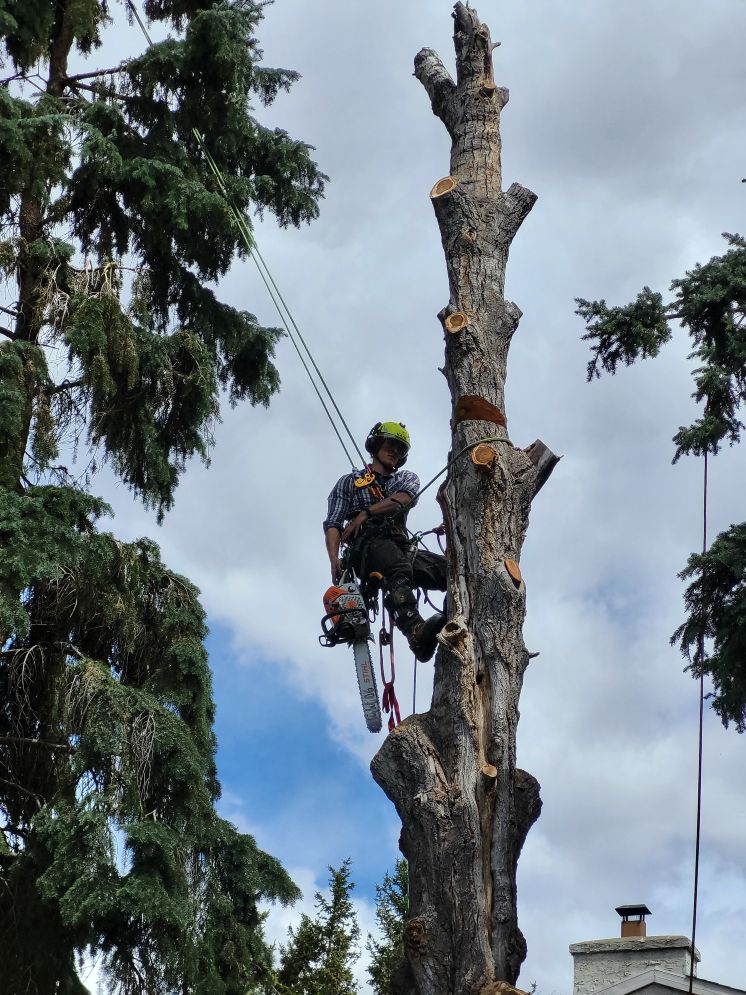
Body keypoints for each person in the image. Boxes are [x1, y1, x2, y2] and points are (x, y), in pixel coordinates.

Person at [323, 421, 447, 662]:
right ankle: (415, 632)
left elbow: (404, 499)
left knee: (452, 572)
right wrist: (333, 560)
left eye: (400, 450)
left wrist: (366, 512)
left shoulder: (404, 478)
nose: (395, 452)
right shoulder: (349, 482)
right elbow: (333, 523)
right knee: (396, 567)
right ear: (376, 445)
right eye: (390, 445)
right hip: (367, 548)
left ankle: (453, 622)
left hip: (401, 546)